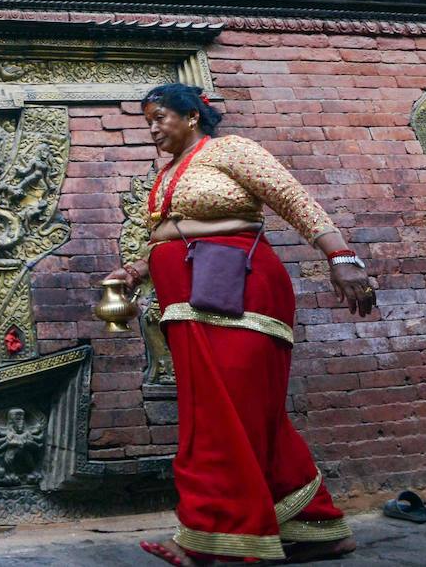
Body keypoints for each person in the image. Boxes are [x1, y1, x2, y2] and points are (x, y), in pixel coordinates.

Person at [105, 84, 376, 566]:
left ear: (191, 117)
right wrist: (135, 271)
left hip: (238, 295)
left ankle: (217, 537)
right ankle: (315, 527)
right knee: (245, 413)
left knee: (221, 415)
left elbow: (292, 199)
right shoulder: (168, 172)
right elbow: (167, 235)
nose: (151, 129)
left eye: (159, 118)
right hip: (185, 303)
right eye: (147, 121)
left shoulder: (231, 150)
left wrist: (342, 255)